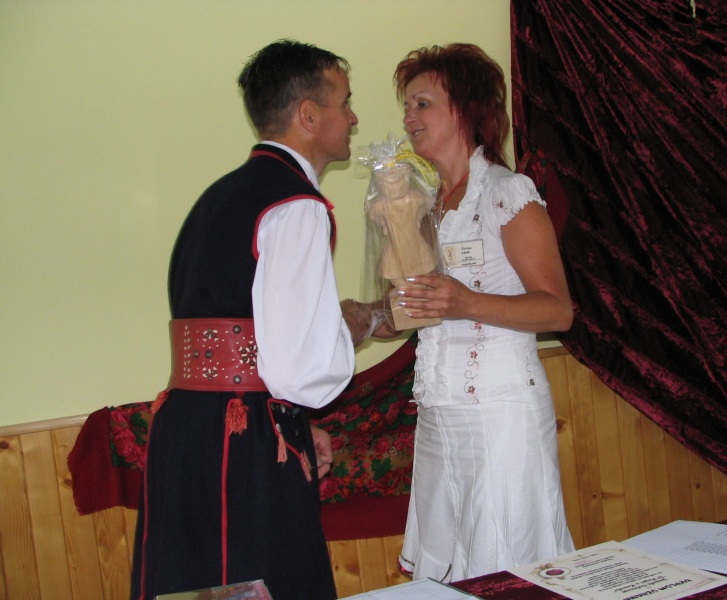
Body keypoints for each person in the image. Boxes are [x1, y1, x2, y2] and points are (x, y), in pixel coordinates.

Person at [130, 39, 371, 600]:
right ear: (308, 115)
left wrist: (292, 424)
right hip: (242, 443)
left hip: (187, 430)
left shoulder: (218, 196)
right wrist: (355, 325)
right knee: (259, 579)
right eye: (344, 101)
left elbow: (238, 331)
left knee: (194, 581)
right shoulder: (296, 204)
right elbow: (299, 370)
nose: (353, 117)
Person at [385, 43, 576, 582]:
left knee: (505, 571)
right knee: (446, 573)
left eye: (422, 104)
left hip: (500, 415)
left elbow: (558, 310)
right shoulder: (426, 203)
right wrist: (378, 301)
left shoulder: (506, 193)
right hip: (438, 416)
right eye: (407, 106)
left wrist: (465, 301)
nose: (409, 117)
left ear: (465, 111)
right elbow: (417, 311)